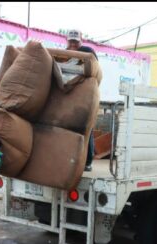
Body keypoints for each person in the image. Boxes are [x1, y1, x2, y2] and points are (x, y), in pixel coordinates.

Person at [66, 29, 98, 172]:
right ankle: (72, 159)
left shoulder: (86, 51)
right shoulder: (65, 54)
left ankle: (88, 162)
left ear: (80, 41)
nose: (73, 44)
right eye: (71, 42)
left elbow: (92, 60)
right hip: (71, 98)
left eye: (75, 42)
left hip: (86, 97)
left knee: (87, 128)